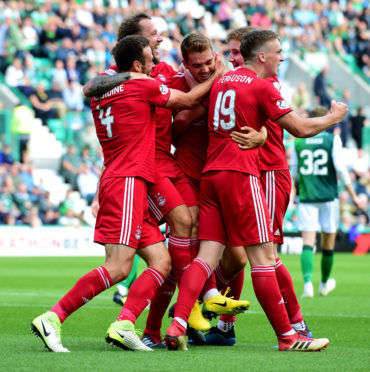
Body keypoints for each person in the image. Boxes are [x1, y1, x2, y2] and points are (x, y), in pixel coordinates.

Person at [31, 34, 223, 353]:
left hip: (125, 178)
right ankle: (53, 317)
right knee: (119, 267)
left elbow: (91, 86)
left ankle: (124, 324)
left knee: (161, 261)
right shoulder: (141, 85)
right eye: (150, 60)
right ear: (136, 65)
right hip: (128, 181)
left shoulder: (102, 90)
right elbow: (188, 102)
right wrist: (217, 75)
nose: (154, 65)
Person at [165, 29, 348, 352]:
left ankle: (178, 323)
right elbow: (301, 129)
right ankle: (289, 337)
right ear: (262, 56)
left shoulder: (222, 82)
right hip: (242, 175)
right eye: (278, 52)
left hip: (211, 175)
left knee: (207, 257)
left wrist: (262, 135)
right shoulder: (264, 87)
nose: (282, 57)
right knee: (264, 260)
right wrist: (334, 117)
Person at [84, 13, 248, 346]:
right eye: (153, 35)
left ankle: (154, 326)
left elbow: (191, 92)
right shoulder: (122, 78)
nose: (160, 39)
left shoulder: (165, 72)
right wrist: (214, 80)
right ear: (136, 47)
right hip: (146, 169)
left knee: (174, 255)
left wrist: (220, 79)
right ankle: (195, 304)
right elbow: (183, 112)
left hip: (166, 167)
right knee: (181, 229)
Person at [203, 26, 312, 347]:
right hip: (242, 172)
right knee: (238, 256)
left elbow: (289, 127)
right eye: (230, 52)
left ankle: (296, 324)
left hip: (265, 173)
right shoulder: (238, 80)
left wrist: (263, 136)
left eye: (237, 52)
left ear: (253, 55)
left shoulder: (265, 82)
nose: (233, 58)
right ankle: (224, 323)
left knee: (265, 255)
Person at [291, 106, 361, 298]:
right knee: (328, 243)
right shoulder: (333, 139)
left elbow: (294, 173)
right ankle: (323, 283)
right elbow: (340, 168)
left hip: (307, 197)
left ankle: (307, 286)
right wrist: (353, 195)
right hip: (329, 196)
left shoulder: (299, 142)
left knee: (308, 242)